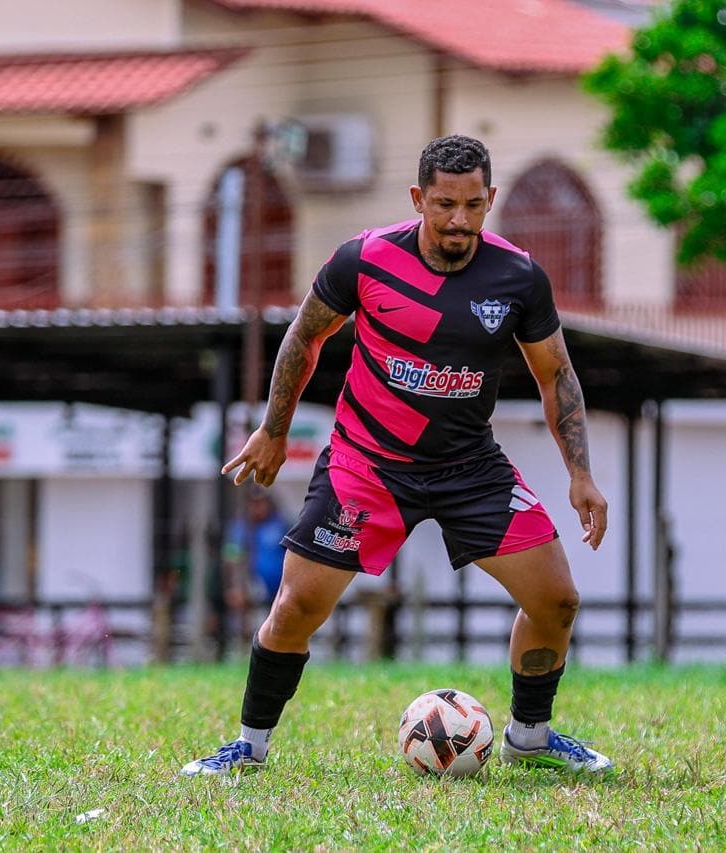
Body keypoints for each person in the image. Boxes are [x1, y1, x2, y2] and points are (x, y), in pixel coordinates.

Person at [180, 135, 612, 777]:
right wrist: (274, 429)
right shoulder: (364, 259)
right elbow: (305, 336)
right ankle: (249, 745)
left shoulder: (518, 276)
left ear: (491, 199)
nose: (459, 220)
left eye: (472, 204)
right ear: (419, 199)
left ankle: (531, 733)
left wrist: (581, 473)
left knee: (557, 599)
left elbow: (557, 376)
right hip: (368, 465)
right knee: (297, 608)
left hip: (470, 467)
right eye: (444, 204)